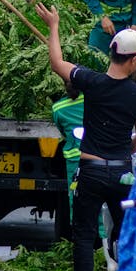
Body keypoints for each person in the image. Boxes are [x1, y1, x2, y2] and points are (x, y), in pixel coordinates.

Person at [35, 3, 136, 271]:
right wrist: (121, 150)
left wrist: (54, 25)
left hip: (90, 171)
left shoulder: (91, 82)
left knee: (84, 234)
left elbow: (57, 62)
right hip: (122, 174)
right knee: (126, 233)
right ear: (133, 60)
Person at [50, 84, 85, 221]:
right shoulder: (94, 101)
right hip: (95, 159)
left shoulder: (58, 108)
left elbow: (63, 132)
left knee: (76, 200)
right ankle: (101, 239)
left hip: (74, 162)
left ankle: (80, 238)